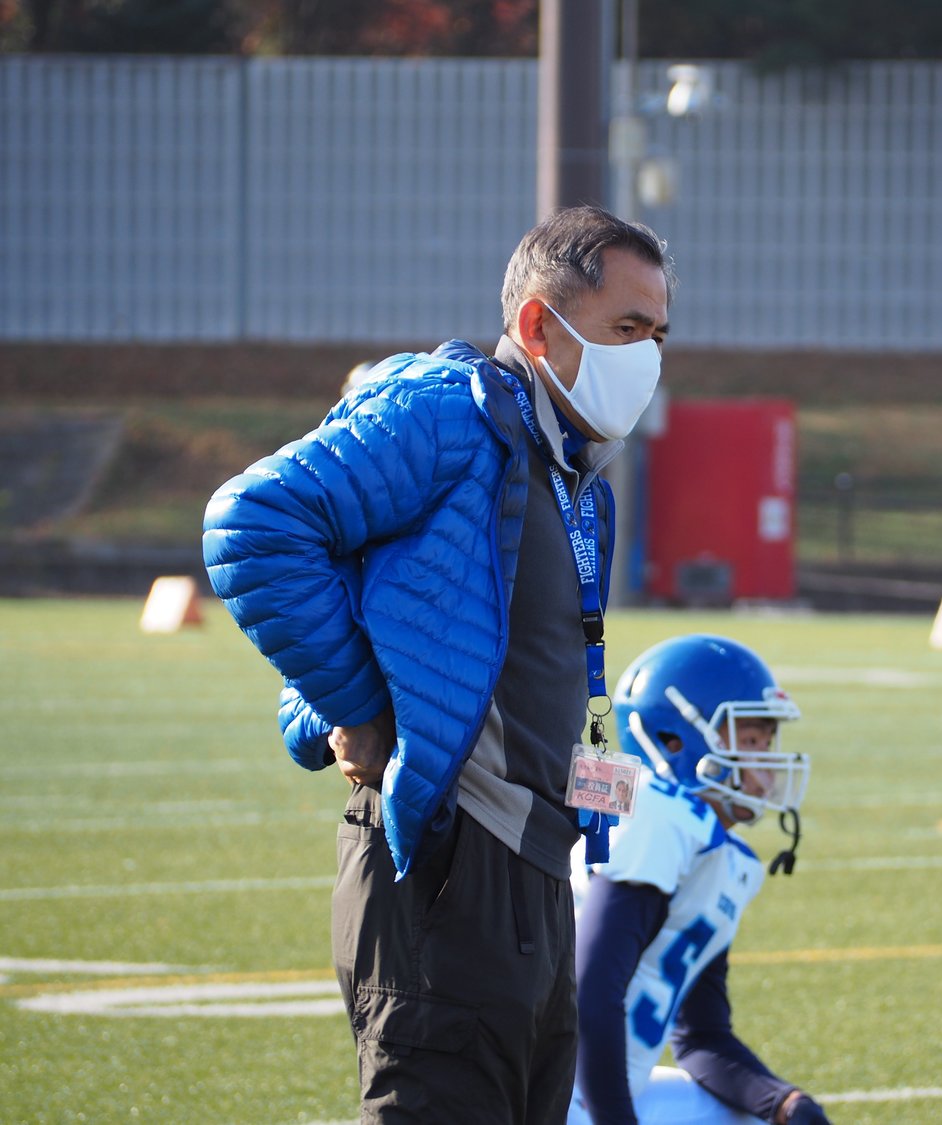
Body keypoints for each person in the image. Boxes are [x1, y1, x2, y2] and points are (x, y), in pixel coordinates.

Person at [202, 204, 675, 1123]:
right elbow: (252, 523)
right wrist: (358, 706)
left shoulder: (573, 470)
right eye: (628, 329)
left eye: (658, 334)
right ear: (540, 324)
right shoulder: (449, 415)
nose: (649, 356)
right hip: (450, 867)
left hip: (540, 873)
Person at [567, 634, 832, 1125]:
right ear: (675, 739)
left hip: (602, 1087)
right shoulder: (657, 815)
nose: (767, 764)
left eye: (768, 741)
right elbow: (589, 992)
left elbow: (700, 1036)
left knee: (760, 1118)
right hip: (553, 1091)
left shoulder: (716, 851)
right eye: (750, 740)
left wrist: (785, 1102)